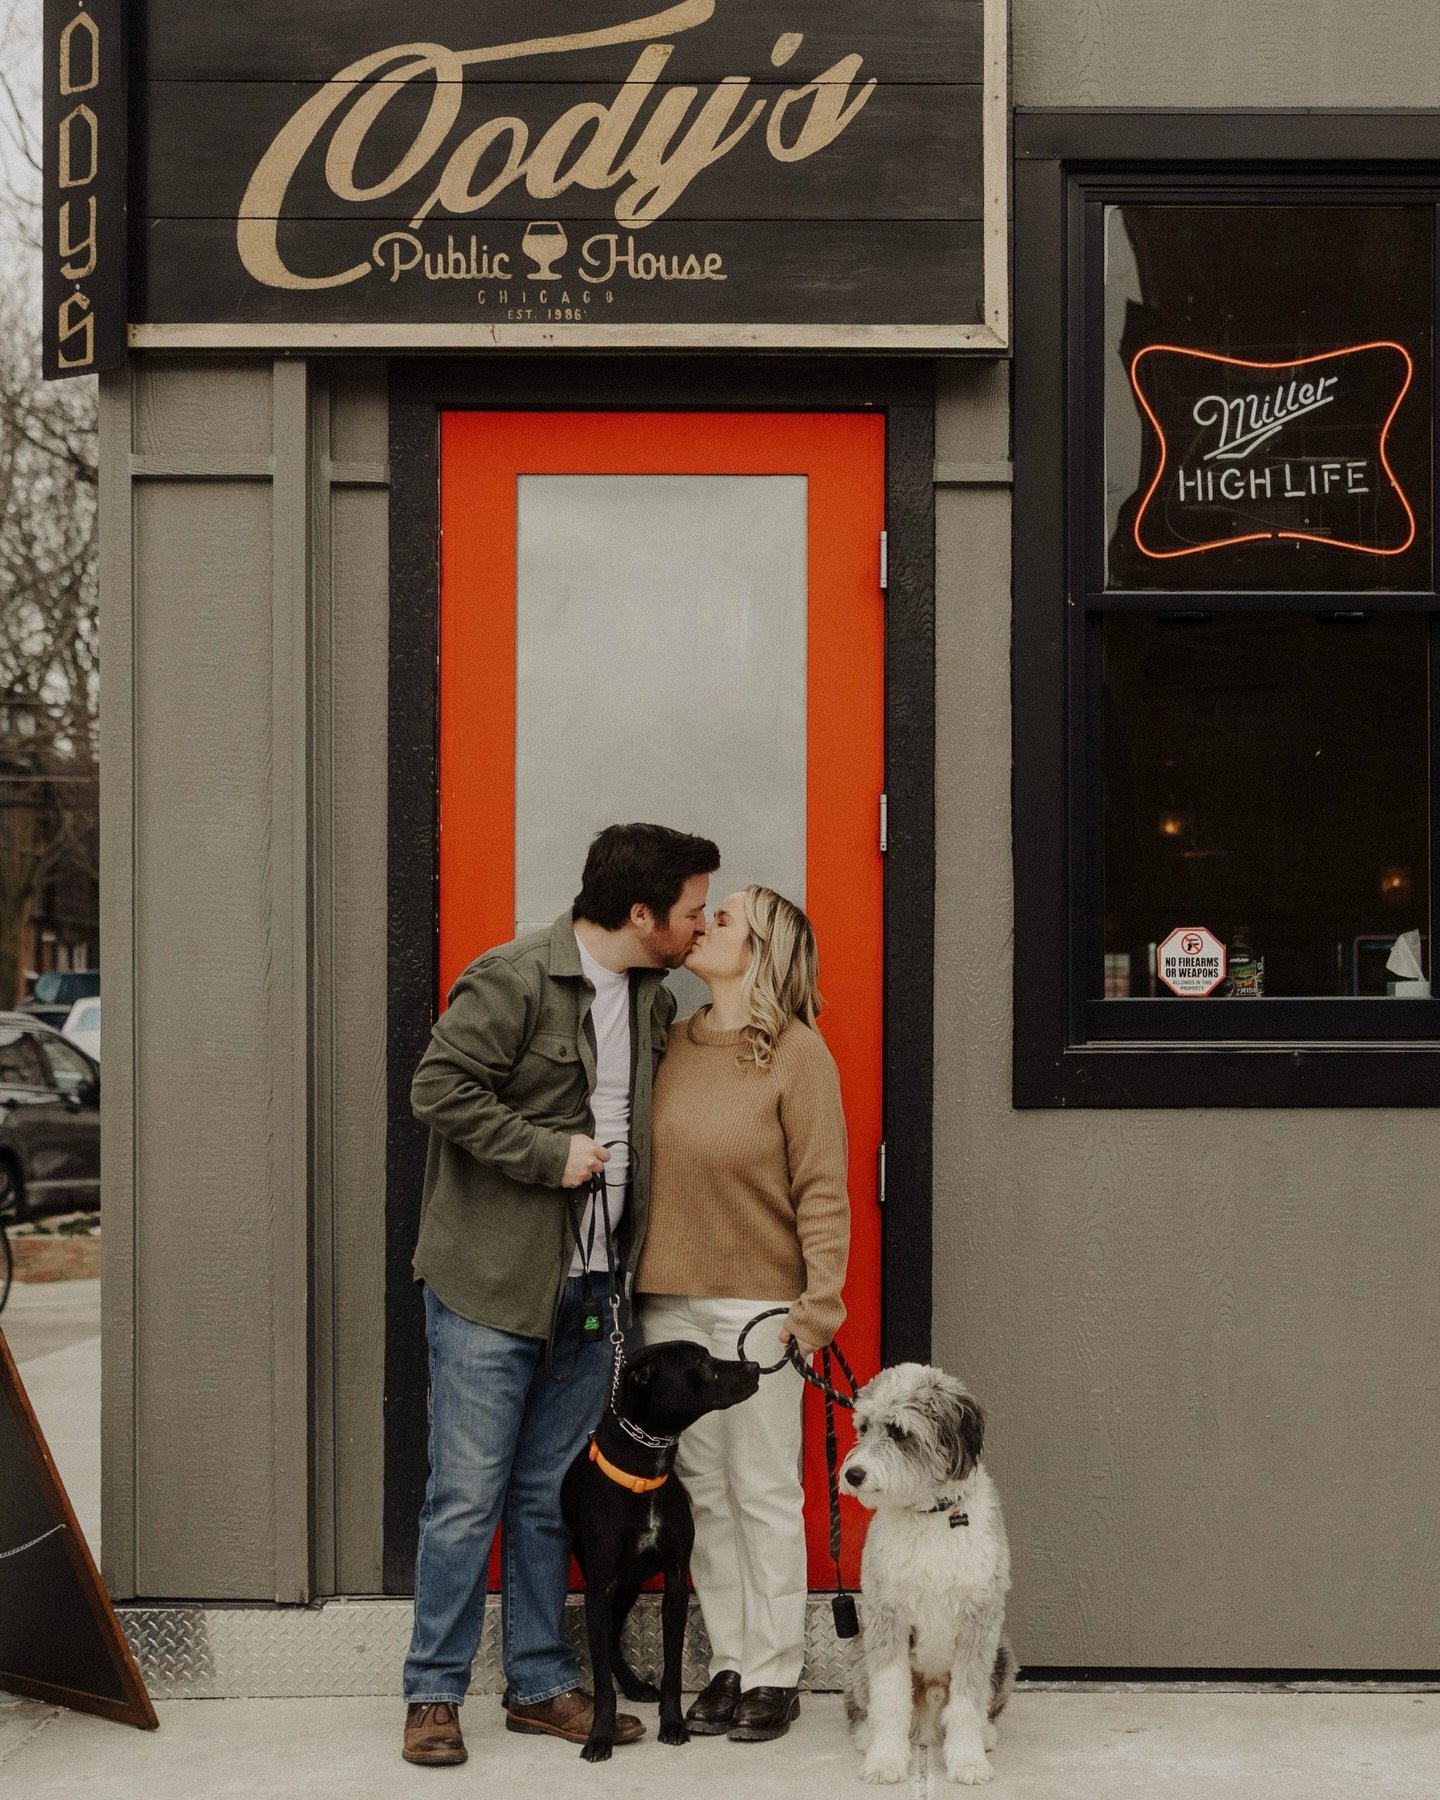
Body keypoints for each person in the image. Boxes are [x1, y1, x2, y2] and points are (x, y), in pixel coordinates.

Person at [400, 821, 720, 1768]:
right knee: (465, 1497)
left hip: (596, 1287)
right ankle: (432, 1692)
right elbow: (437, 1088)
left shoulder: (657, 997)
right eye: (692, 911)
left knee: (547, 1493)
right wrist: (548, 1154)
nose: (699, 927)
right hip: (492, 1286)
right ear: (640, 914)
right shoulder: (512, 980)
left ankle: (540, 1684)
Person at [635, 885, 851, 1744]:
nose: (703, 925)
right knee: (700, 1489)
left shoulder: (798, 1054)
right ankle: (727, 1662)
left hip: (762, 1309)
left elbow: (823, 1190)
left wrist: (818, 1306)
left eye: (724, 919)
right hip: (667, 1302)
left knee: (762, 1488)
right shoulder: (672, 1042)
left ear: (761, 951)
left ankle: (773, 1671)